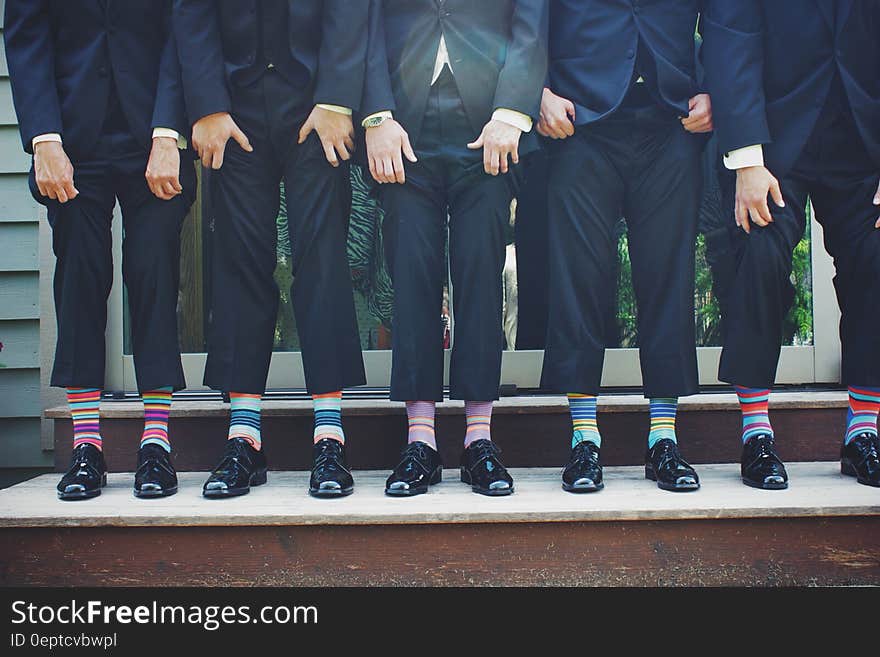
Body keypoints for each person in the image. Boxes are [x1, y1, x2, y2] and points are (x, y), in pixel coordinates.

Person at [173, 0, 368, 498]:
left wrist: (338, 99)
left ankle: (329, 435)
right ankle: (244, 436)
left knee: (322, 260)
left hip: (316, 102)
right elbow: (189, 12)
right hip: (234, 107)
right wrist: (207, 106)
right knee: (239, 261)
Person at [4, 0, 196, 500]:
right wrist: (44, 139)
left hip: (154, 134)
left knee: (153, 270)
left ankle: (157, 443)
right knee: (80, 279)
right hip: (68, 137)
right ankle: (86, 445)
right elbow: (26, 36)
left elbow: (183, 31)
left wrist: (169, 131)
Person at [362, 0, 548, 496]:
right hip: (403, 126)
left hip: (490, 125)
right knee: (412, 275)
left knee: (480, 276)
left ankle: (478, 441)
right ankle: (420, 440)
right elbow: (365, 21)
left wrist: (512, 112)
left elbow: (531, 21)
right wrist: (376, 116)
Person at [703, 0, 880, 488]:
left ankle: (863, 431)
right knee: (759, 257)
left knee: (875, 263)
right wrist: (746, 159)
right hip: (773, 139)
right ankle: (756, 432)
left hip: (863, 140)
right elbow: (729, 35)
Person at [539, 0, 713, 493]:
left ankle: (663, 438)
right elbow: (526, 17)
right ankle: (583, 438)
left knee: (667, 275)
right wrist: (536, 92)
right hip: (579, 122)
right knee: (580, 277)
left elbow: (725, 17)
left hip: (672, 121)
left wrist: (716, 89)